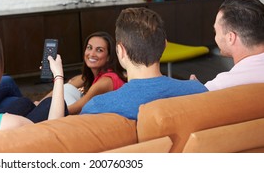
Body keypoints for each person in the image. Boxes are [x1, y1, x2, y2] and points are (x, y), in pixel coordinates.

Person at [80, 7, 208, 120]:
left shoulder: (96, 107)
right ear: (164, 45)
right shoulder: (198, 90)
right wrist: (193, 86)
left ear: (120, 51)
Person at [38, 31, 126, 115]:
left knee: (63, 96)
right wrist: (39, 103)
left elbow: (78, 107)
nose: (91, 54)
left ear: (109, 57)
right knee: (66, 88)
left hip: (104, 122)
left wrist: (46, 111)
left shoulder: (107, 81)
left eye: (99, 50)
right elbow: (69, 84)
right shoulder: (92, 75)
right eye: (89, 48)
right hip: (93, 115)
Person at [190, 0, 264, 91]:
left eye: (216, 31)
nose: (215, 37)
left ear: (230, 38)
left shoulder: (222, 85)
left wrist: (199, 90)